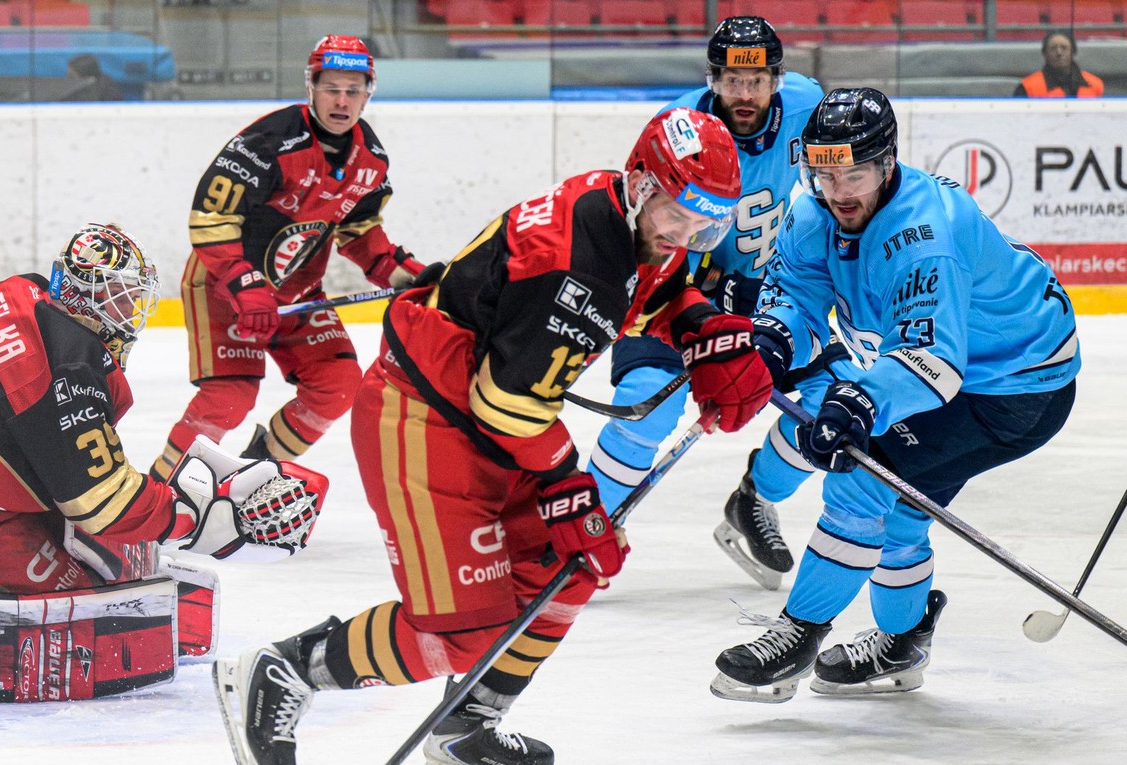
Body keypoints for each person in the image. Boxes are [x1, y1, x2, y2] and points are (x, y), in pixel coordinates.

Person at [215, 108, 773, 765]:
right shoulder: (574, 265)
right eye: (680, 215)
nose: (687, 233)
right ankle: (283, 669)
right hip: (423, 418)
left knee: (566, 571)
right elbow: (506, 401)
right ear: (645, 184)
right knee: (463, 633)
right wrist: (570, 485)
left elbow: (649, 287)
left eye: (706, 222)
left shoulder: (620, 209)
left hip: (485, 420)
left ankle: (467, 723)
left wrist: (697, 324)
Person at [0, 223, 329, 709]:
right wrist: (194, 519)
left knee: (106, 572)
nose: (129, 310)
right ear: (85, 295)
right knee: (72, 615)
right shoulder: (64, 366)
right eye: (120, 296)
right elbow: (100, 500)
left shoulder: (21, 291)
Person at [710, 88, 1080, 703]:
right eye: (824, 172)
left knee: (864, 480)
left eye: (854, 171)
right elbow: (798, 293)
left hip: (1015, 385)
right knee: (903, 508)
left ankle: (799, 631)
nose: (839, 189)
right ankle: (903, 641)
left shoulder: (922, 236)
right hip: (966, 369)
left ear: (887, 164)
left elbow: (931, 359)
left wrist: (860, 401)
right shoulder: (813, 211)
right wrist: (774, 341)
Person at [585, 15, 827, 590]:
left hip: (772, 294)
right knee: (647, 401)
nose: (745, 94)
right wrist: (704, 297)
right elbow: (650, 230)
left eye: (759, 81)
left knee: (828, 410)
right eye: (732, 81)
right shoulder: (676, 131)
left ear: (779, 79)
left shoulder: (809, 108)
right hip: (673, 288)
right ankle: (584, 529)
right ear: (713, 79)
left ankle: (754, 500)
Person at [149, 35, 428, 480]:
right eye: (331, 88)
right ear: (311, 87)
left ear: (367, 94)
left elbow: (360, 232)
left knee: (337, 386)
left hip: (298, 293)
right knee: (229, 398)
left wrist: (407, 275)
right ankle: (159, 495)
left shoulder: (371, 161)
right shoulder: (269, 142)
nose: (342, 100)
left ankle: (253, 475)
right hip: (224, 287)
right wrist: (243, 284)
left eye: (353, 91)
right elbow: (212, 219)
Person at [1014, 30, 1103, 98]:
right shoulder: (1028, 87)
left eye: (1064, 48)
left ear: (1073, 52)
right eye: (1053, 48)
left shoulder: (1095, 85)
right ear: (1045, 53)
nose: (1059, 53)